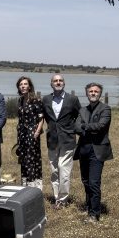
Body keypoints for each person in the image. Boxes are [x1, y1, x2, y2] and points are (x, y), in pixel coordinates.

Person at [74, 83, 113, 222]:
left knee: (94, 182)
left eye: (96, 91)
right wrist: (87, 128)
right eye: (90, 91)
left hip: (97, 151)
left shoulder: (106, 109)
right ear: (86, 93)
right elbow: (76, 127)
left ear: (100, 94)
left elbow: (101, 126)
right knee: (85, 181)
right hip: (83, 150)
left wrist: (84, 126)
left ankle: (94, 214)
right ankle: (89, 207)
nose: (93, 93)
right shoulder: (82, 110)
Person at [42, 74, 81, 209]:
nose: (58, 83)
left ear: (64, 83)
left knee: (63, 169)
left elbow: (78, 116)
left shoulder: (73, 99)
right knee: (54, 170)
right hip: (52, 139)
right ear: (51, 84)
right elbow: (46, 118)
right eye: (55, 81)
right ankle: (56, 197)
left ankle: (62, 200)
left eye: (60, 81)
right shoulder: (46, 99)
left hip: (67, 139)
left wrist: (72, 129)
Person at [16, 76, 44, 189]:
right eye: (21, 84)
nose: (23, 86)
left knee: (32, 159)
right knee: (23, 158)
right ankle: (25, 184)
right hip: (22, 133)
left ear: (29, 86)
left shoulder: (36, 100)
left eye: (25, 84)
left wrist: (36, 133)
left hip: (32, 132)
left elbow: (41, 119)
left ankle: (34, 186)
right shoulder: (20, 100)